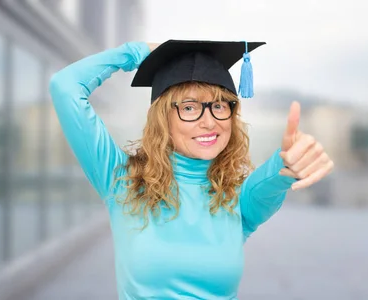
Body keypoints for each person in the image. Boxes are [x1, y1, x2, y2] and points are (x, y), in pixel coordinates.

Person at [49, 39, 334, 299]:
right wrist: (136, 54)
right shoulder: (121, 179)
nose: (209, 122)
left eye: (220, 106)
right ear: (163, 118)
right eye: (189, 107)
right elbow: (65, 87)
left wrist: (287, 162)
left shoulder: (235, 197)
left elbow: (270, 181)